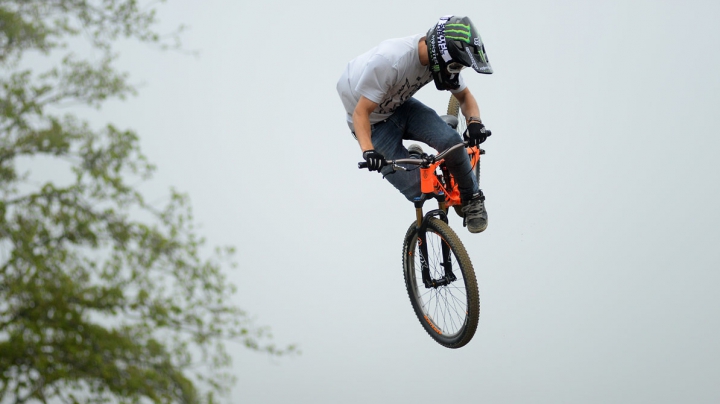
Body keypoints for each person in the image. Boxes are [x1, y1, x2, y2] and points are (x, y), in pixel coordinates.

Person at [336, 15, 493, 233]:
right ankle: (416, 157)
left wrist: (475, 122)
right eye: (456, 65)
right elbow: (360, 113)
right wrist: (368, 151)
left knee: (451, 141)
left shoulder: (442, 62)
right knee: (418, 189)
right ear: (442, 55)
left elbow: (465, 97)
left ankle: (473, 198)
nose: (456, 71)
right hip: (372, 123)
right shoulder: (391, 61)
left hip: (401, 106)